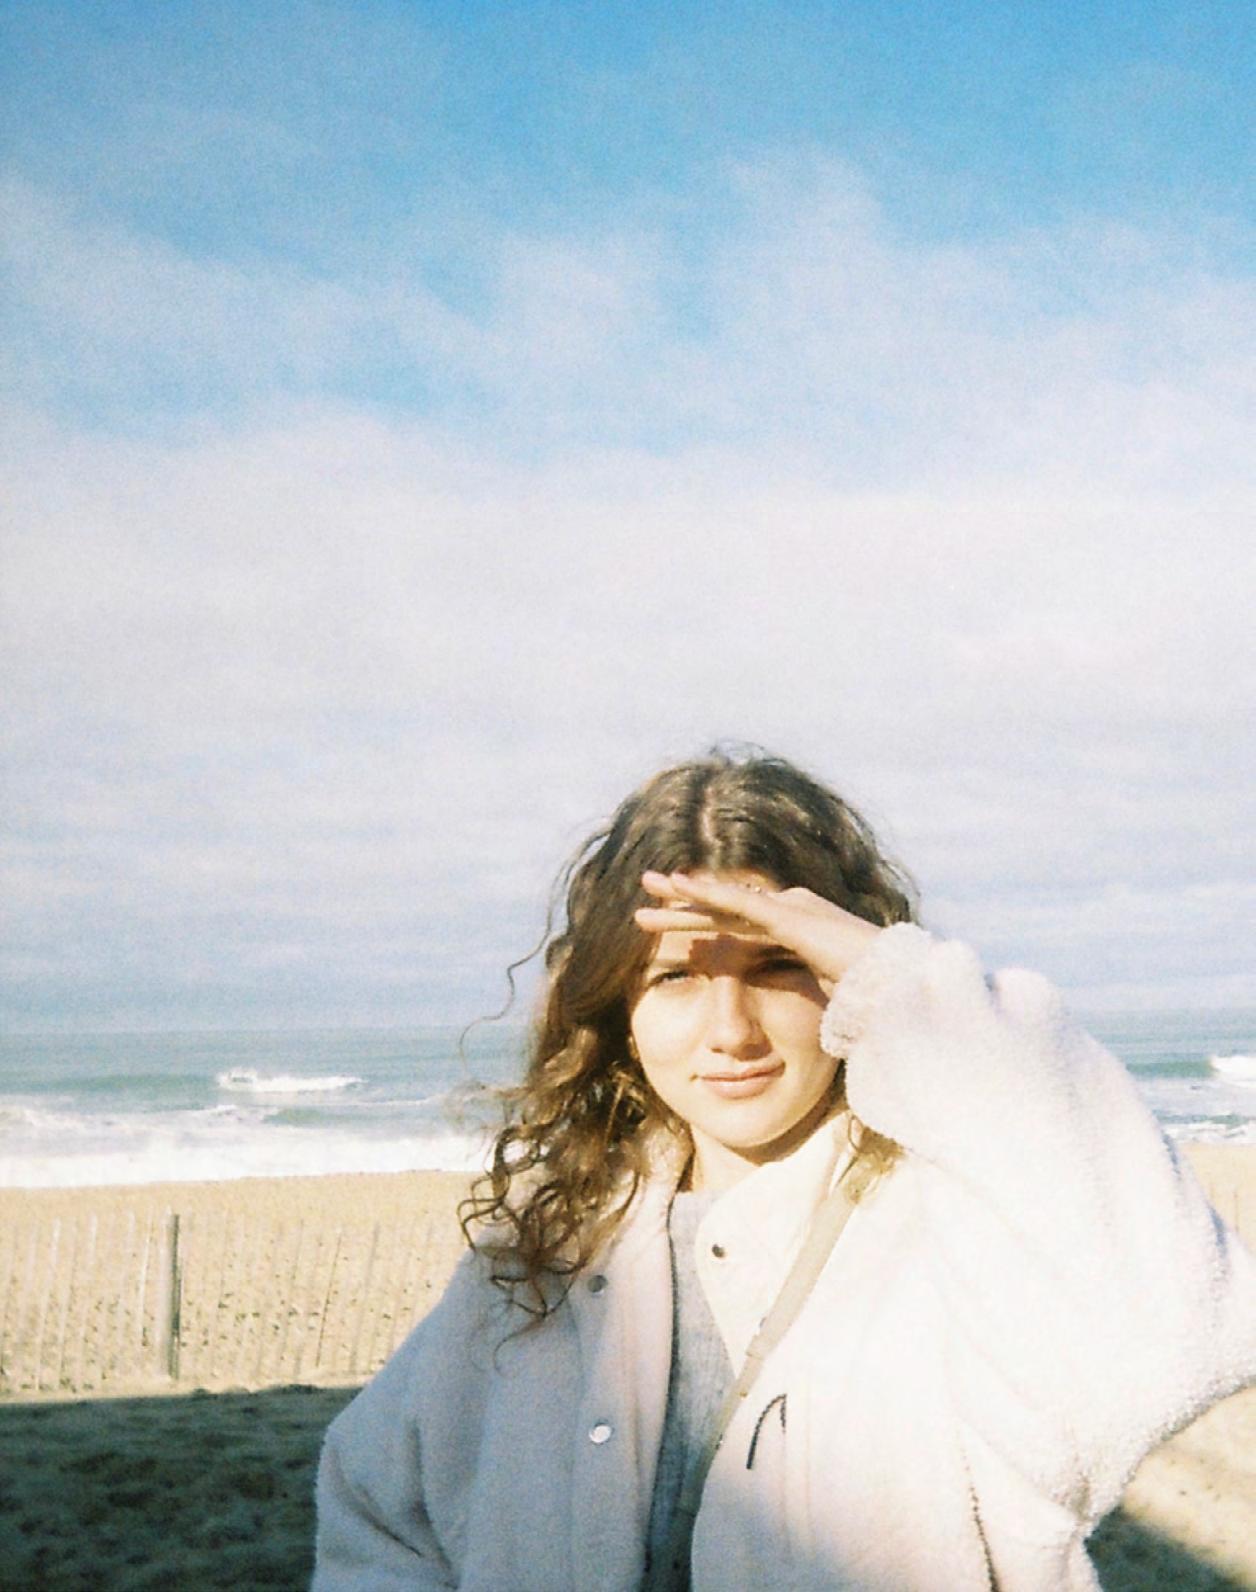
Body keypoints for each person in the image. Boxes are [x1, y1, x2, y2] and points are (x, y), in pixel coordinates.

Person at [313, 750, 1256, 1591]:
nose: (731, 1031)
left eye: (776, 966)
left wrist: (903, 984)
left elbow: (1183, 1320)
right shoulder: (548, 1247)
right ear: (620, 1014)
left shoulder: (953, 1230)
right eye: (676, 976)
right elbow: (379, 1505)